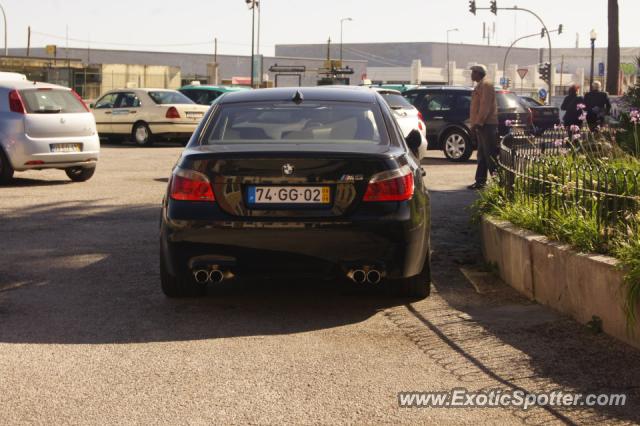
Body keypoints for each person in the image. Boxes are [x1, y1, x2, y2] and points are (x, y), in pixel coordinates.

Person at [467, 64, 498, 190]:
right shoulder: (480, 85)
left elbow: (485, 106)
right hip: (481, 125)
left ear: (479, 73)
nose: (471, 74)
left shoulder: (486, 85)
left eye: (473, 72)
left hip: (486, 124)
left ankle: (499, 181)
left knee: (489, 154)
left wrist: (478, 123)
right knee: (482, 154)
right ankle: (480, 181)